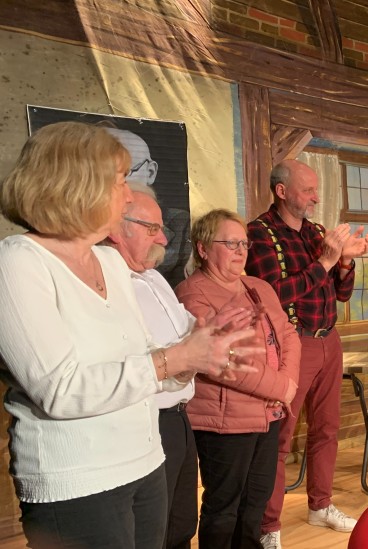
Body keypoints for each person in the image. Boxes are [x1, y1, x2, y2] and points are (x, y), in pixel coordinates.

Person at [0, 121, 256, 548]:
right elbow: (60, 390)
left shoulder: (111, 263)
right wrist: (175, 358)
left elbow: (145, 358)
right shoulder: (18, 262)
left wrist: (198, 356)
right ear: (78, 184)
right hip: (77, 480)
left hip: (145, 461)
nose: (127, 194)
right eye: (121, 181)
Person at [106, 184, 247, 549]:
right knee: (153, 531)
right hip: (146, 419)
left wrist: (214, 334)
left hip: (179, 417)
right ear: (118, 228)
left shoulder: (154, 279)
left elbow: (189, 331)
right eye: (153, 228)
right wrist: (191, 351)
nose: (164, 239)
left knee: (182, 524)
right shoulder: (108, 285)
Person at [247, 160, 368, 545]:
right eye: (308, 190)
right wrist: (327, 261)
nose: (316, 197)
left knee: (327, 429)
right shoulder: (259, 233)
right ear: (282, 191)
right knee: (280, 437)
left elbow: (341, 293)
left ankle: (320, 505)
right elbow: (272, 295)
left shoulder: (317, 232)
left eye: (316, 190)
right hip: (291, 344)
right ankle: (269, 525)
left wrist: (346, 261)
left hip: (328, 338)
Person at [175, 209, 301, 549]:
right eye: (230, 243)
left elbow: (289, 335)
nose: (240, 251)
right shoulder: (192, 294)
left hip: (268, 413)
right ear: (202, 248)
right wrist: (281, 387)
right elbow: (221, 360)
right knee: (224, 507)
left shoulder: (258, 286)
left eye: (244, 243)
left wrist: (287, 382)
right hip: (225, 422)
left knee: (256, 502)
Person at [105, 127, 190, 286]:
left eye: (124, 175)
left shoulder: (180, 223)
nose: (163, 240)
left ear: (151, 172)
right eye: (103, 178)